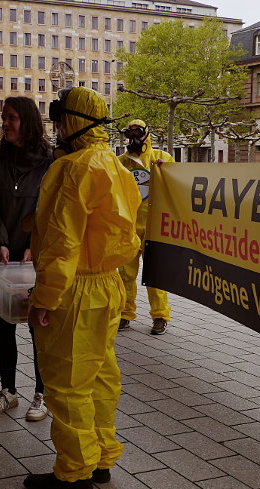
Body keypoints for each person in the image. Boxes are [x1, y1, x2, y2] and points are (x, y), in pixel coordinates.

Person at [24, 87, 141, 489]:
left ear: (71, 121)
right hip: (107, 285)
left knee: (68, 380)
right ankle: (101, 455)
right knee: (101, 375)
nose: (56, 128)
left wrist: (44, 298)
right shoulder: (115, 165)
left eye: (59, 119)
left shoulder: (74, 168)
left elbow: (62, 241)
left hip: (75, 289)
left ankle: (74, 472)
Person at [0, 97, 52, 421]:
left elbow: (51, 210)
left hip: (37, 258)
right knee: (3, 324)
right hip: (2, 257)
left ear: (29, 122)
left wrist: (37, 243)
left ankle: (42, 392)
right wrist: (0, 242)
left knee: (39, 325)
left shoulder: (49, 162)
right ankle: (8, 390)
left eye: (12, 118)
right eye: (3, 117)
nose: (5, 123)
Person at [117, 119, 174, 335]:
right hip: (128, 227)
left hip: (153, 227)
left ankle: (160, 315)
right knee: (125, 274)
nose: (133, 139)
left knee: (155, 274)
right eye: (129, 134)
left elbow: (176, 184)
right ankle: (124, 313)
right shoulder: (121, 162)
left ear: (146, 134)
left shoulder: (161, 158)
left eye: (137, 133)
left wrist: (164, 171)